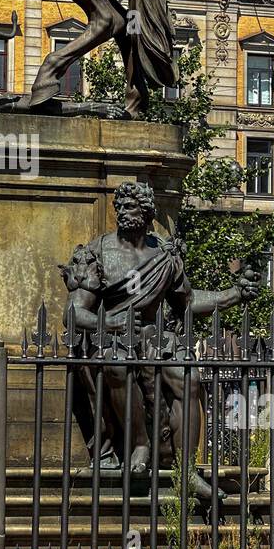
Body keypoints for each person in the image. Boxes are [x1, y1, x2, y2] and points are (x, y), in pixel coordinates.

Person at [60, 181, 259, 489]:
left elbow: (188, 302)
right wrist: (110, 323)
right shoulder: (98, 251)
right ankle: (140, 445)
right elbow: (73, 314)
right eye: (119, 206)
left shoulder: (164, 255)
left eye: (130, 206)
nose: (122, 212)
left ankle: (186, 469)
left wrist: (234, 294)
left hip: (153, 340)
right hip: (111, 339)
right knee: (117, 365)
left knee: (187, 377)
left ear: (148, 212)